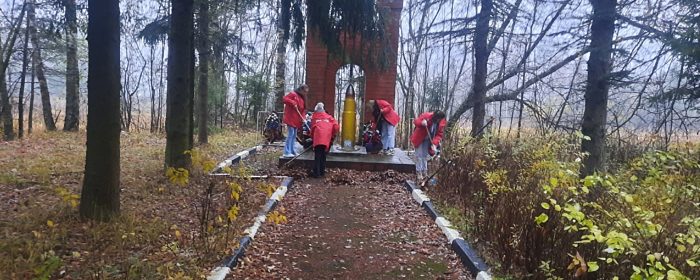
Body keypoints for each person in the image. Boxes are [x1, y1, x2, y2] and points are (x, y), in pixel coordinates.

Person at [410, 110, 446, 180]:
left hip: (428, 140)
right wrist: (421, 123)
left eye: (441, 120)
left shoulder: (441, 123)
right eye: (439, 119)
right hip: (419, 137)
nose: (440, 121)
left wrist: (434, 143)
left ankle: (424, 171)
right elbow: (416, 122)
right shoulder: (427, 116)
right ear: (436, 117)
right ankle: (418, 171)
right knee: (419, 155)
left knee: (424, 155)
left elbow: (439, 134)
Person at [309, 103, 339, 178]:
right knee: (323, 155)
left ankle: (316, 173)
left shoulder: (314, 117)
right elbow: (336, 127)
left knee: (317, 155)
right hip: (326, 138)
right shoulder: (329, 117)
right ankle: (322, 172)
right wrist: (331, 135)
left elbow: (312, 128)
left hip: (318, 137)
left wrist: (312, 137)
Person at [282, 84, 308, 157]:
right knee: (290, 134)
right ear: (301, 90)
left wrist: (304, 118)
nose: (305, 93)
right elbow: (285, 99)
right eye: (304, 91)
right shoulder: (293, 94)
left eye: (306, 92)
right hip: (291, 118)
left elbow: (302, 110)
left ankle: (292, 151)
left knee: (294, 135)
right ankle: (286, 152)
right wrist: (293, 103)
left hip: (297, 120)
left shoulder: (302, 99)